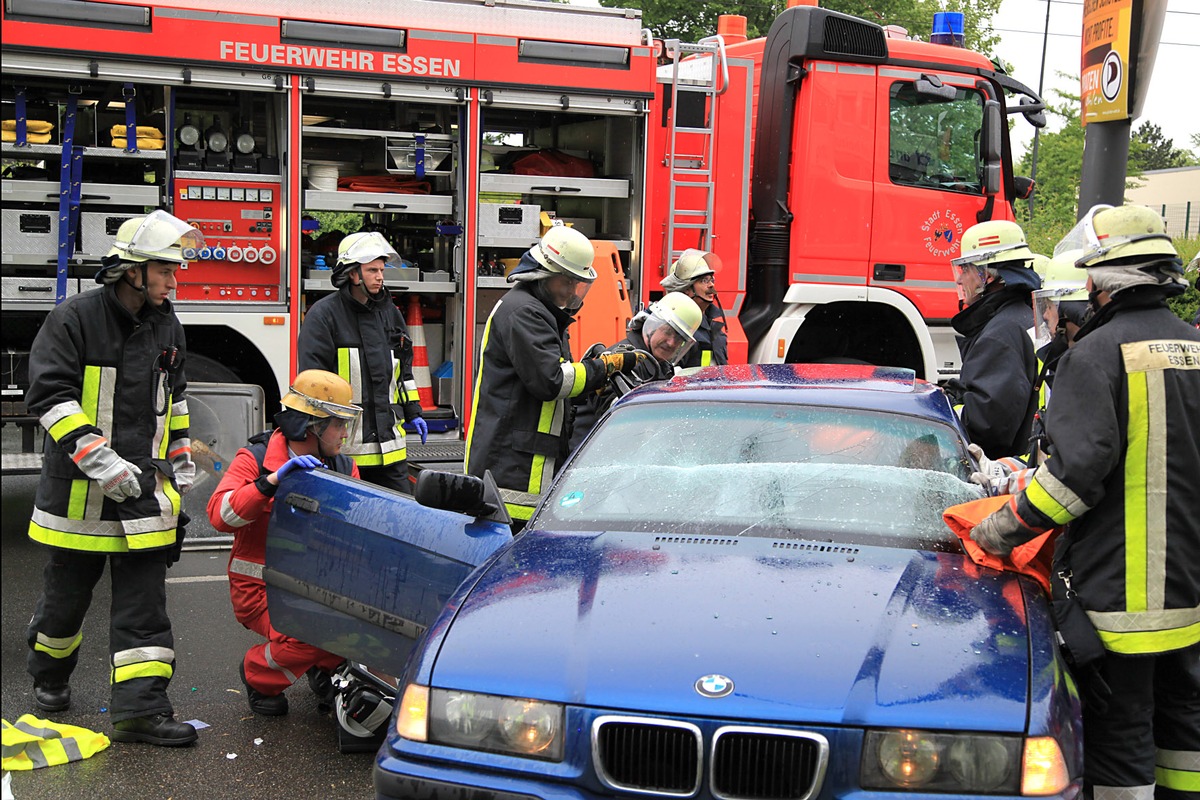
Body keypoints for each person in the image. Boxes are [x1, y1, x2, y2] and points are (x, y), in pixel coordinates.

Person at [971, 205, 1200, 800]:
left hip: (1122, 598)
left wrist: (1000, 528)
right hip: (1193, 594)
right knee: (1185, 735)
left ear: (1098, 285)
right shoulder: (1195, 346)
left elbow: (1072, 481)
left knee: (1120, 742)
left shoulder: (1094, 358)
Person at [24, 210, 201, 747]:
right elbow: (49, 397)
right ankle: (50, 676)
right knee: (64, 605)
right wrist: (103, 463)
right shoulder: (74, 319)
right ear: (133, 271)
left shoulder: (168, 322)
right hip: (80, 497)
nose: (174, 282)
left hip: (144, 495)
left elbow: (174, 399)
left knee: (145, 611)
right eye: (166, 270)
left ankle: (140, 712)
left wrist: (180, 454)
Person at [466, 225, 647, 529]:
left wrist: (594, 382)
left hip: (527, 464)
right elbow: (551, 381)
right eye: (569, 282)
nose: (572, 291)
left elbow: (561, 381)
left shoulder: (540, 311)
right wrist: (605, 367)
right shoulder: (524, 312)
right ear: (548, 275)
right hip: (512, 469)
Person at [207, 370, 362, 716]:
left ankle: (326, 667)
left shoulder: (343, 466)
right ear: (312, 426)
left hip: (316, 589)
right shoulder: (258, 459)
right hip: (260, 590)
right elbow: (220, 516)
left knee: (360, 635)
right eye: (338, 423)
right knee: (308, 634)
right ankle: (258, 675)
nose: (345, 433)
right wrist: (271, 483)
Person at [297, 231, 426, 493]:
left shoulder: (389, 313)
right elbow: (313, 384)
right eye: (372, 270)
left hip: (390, 449)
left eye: (382, 269)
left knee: (399, 520)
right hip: (346, 452)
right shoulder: (323, 316)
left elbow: (402, 369)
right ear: (353, 274)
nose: (380, 276)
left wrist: (413, 410)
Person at [945, 220, 1042, 460]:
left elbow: (986, 427)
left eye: (965, 269)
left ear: (985, 275)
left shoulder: (1001, 334)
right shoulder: (1023, 315)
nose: (959, 280)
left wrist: (949, 405)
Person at [570, 292, 703, 449]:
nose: (671, 342)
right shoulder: (621, 360)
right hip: (589, 456)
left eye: (680, 339)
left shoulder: (661, 367)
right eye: (668, 331)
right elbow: (617, 418)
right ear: (652, 324)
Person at [660, 248, 727, 367]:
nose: (711, 285)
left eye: (712, 279)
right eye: (704, 280)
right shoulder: (676, 331)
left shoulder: (712, 326)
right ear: (687, 290)